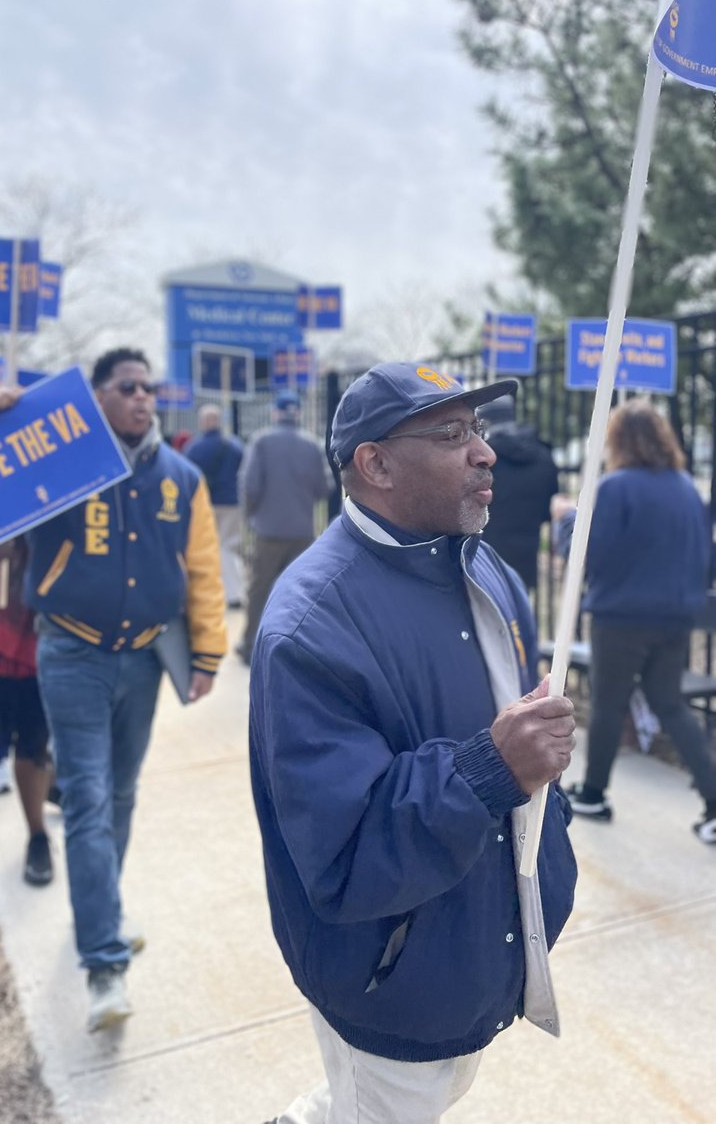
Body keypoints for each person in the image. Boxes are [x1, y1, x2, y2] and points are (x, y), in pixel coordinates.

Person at [249, 362, 578, 1124]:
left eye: (480, 430)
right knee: (386, 1104)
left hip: (477, 947)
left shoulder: (489, 573)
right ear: (376, 463)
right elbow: (348, 855)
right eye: (455, 433)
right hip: (393, 977)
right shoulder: (310, 628)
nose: (486, 452)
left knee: (405, 1098)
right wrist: (494, 766)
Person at [0, 347, 227, 1032]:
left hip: (145, 660)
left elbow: (203, 570)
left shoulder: (182, 478)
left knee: (120, 793)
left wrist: (207, 650)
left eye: (149, 387)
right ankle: (104, 963)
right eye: (127, 386)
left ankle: (101, 908)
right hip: (71, 655)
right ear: (96, 397)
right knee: (87, 796)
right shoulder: (56, 466)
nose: (143, 397)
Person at [551, 399, 716, 843]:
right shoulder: (684, 486)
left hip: (622, 617)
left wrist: (566, 520)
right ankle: (714, 804)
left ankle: (593, 793)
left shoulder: (616, 486)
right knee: (670, 704)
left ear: (618, 441)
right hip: (675, 616)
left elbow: (585, 551)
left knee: (608, 704)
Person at [0, 538, 55, 883]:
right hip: (13, 642)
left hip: (73, 630)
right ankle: (37, 835)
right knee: (29, 744)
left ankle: (51, 784)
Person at [237, 389, 335, 664]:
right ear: (298, 413)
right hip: (303, 531)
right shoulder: (312, 444)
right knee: (299, 593)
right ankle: (295, 648)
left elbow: (250, 486)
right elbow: (324, 488)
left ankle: (250, 647)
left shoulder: (261, 441)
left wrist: (253, 516)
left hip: (268, 531)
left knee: (259, 590)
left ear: (275, 412)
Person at [477, 394, 559, 590]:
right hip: (527, 549)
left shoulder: (484, 459)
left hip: (487, 550)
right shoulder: (542, 454)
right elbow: (549, 509)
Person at [184, 404, 246, 608]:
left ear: (203, 422)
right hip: (231, 503)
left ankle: (216, 592)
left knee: (206, 547)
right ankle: (234, 592)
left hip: (206, 504)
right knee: (230, 546)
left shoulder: (194, 447)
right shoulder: (235, 445)